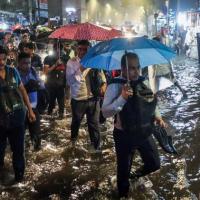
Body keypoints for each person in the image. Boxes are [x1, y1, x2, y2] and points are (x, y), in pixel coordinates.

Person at [102, 52, 166, 198]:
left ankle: (135, 176)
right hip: (124, 135)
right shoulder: (115, 85)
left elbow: (150, 101)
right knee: (123, 174)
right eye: (132, 68)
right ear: (123, 69)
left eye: (138, 67)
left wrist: (157, 116)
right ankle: (123, 192)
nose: (136, 71)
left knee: (154, 163)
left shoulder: (144, 81)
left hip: (144, 132)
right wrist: (122, 98)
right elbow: (105, 112)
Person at [0, 46, 35, 182]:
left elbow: (22, 90)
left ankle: (19, 179)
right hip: (1, 120)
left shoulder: (13, 71)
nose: (1, 62)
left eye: (3, 59)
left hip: (18, 116)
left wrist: (30, 110)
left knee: (19, 150)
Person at [66, 40, 106, 151]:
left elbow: (102, 77)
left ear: (89, 49)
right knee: (76, 122)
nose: (82, 51)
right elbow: (69, 81)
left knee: (94, 125)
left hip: (93, 99)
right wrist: (81, 69)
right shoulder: (71, 63)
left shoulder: (94, 61)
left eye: (85, 49)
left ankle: (96, 148)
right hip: (78, 99)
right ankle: (73, 143)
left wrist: (103, 86)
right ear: (76, 49)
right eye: (80, 49)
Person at [17, 52, 43, 151]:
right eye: (24, 63)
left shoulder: (33, 71)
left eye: (29, 63)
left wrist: (39, 85)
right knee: (19, 138)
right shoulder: (14, 74)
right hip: (20, 110)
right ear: (19, 63)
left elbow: (41, 84)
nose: (27, 65)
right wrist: (26, 88)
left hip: (34, 109)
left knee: (36, 137)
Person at [43, 43, 66, 119]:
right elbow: (46, 71)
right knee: (51, 103)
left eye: (60, 50)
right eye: (56, 50)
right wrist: (55, 65)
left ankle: (61, 115)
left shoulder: (65, 58)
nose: (58, 52)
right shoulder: (48, 58)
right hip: (50, 85)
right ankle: (49, 117)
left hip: (61, 85)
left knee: (61, 104)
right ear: (53, 50)